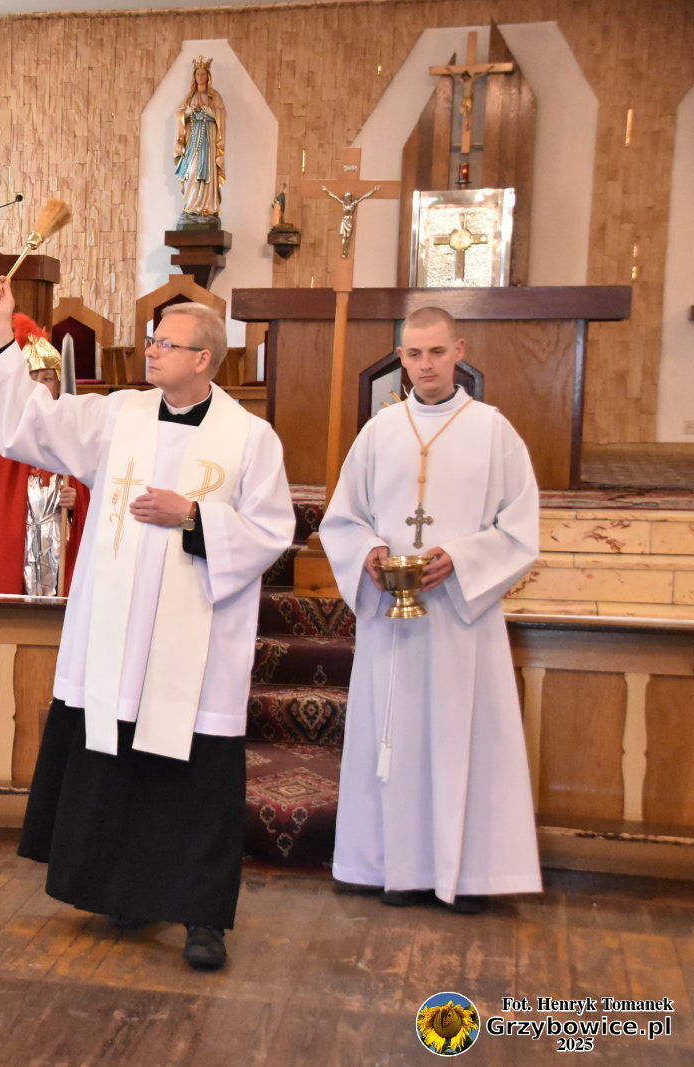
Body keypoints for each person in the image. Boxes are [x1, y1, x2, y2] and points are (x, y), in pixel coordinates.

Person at [0, 280, 293, 970]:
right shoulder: (119, 415)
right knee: (120, 762)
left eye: (167, 343)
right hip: (114, 634)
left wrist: (192, 516)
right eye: (153, 339)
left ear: (203, 359)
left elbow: (271, 531)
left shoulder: (250, 438)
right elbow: (31, 423)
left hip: (194, 646)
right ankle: (128, 892)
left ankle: (203, 918)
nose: (152, 350)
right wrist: (0, 331)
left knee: (194, 782)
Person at [320, 305, 542, 914]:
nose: (426, 366)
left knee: (463, 740)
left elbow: (520, 529)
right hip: (392, 620)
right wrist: (369, 552)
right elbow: (343, 517)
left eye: (437, 352)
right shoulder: (379, 432)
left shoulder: (494, 431)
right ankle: (396, 868)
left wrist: (463, 560)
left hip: (462, 617)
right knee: (393, 738)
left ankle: (467, 877)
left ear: (459, 351)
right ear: (401, 358)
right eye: (414, 354)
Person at [0, 314, 89, 596]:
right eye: (31, 377)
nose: (40, 386)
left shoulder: (73, 432)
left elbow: (94, 490)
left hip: (58, 543)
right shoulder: (2, 434)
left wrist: (78, 501)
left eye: (48, 378)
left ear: (59, 385)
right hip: (15, 545)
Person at [174, 55, 226, 225]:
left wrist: (207, 111)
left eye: (203, 74)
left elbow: (221, 115)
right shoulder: (189, 98)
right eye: (198, 74)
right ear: (194, 76)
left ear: (208, 76)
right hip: (193, 139)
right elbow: (180, 113)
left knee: (206, 174)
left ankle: (207, 208)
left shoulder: (214, 96)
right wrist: (190, 112)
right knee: (191, 171)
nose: (200, 77)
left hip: (208, 141)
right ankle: (190, 207)